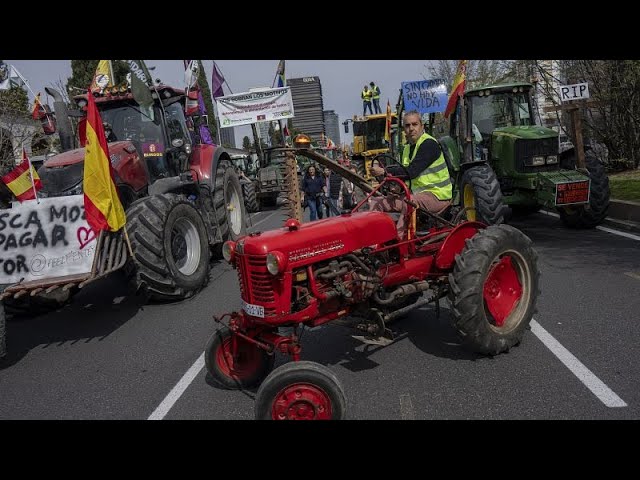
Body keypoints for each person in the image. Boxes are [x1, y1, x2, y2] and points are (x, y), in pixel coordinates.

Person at [369, 110, 452, 238]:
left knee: (410, 202)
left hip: (438, 196)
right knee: (375, 201)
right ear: (404, 129)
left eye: (415, 124)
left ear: (422, 126)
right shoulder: (407, 149)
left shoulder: (429, 144)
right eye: (407, 126)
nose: (411, 129)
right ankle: (374, 240)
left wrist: (384, 171)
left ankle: (399, 242)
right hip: (417, 195)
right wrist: (396, 188)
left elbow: (411, 172)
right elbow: (407, 177)